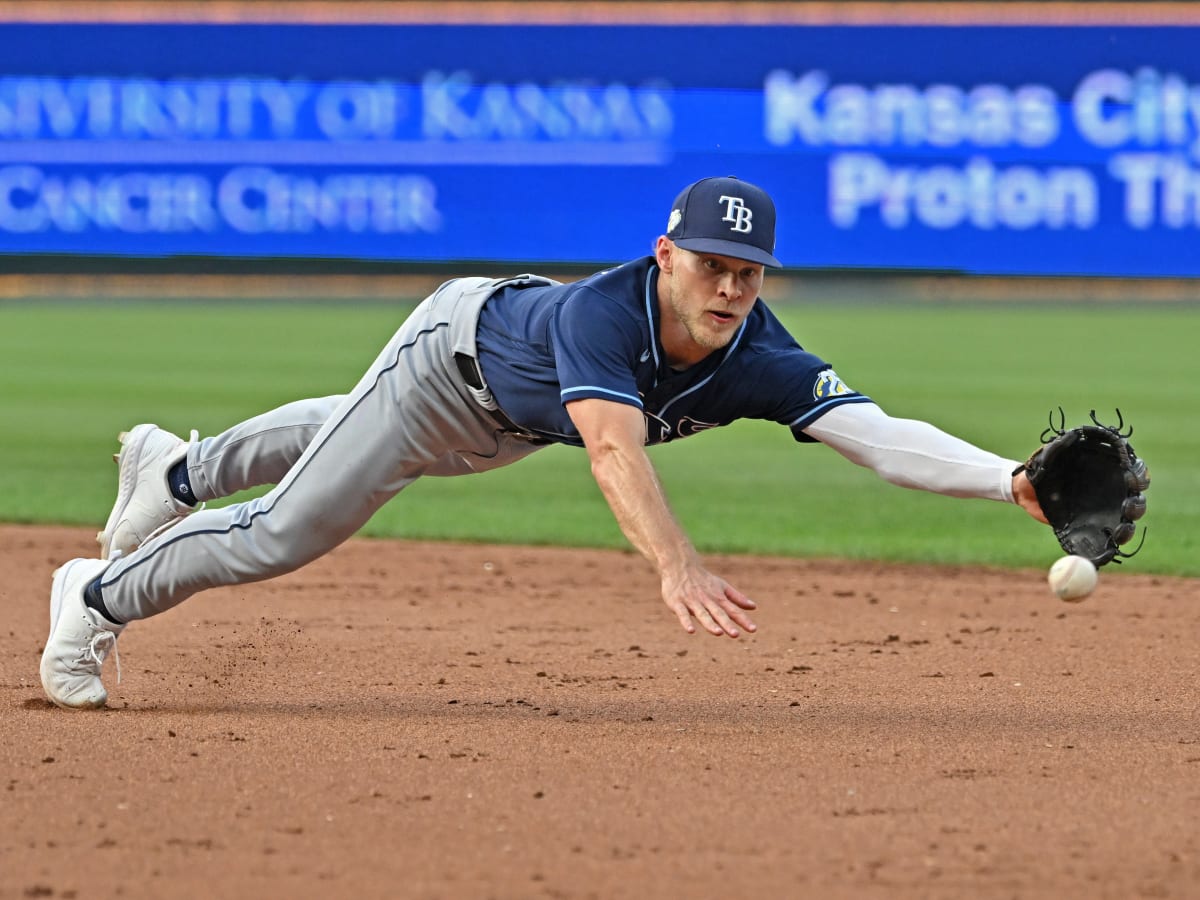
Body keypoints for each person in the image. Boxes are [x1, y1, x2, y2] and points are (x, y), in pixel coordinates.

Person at [40, 176, 1048, 710]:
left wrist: (1009, 481)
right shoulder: (606, 318)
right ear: (666, 255)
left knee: (340, 435)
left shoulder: (758, 351)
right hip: (452, 359)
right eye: (711, 263)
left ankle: (170, 469)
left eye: (749, 269)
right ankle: (92, 596)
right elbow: (613, 452)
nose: (731, 287)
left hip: (504, 423)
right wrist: (676, 563)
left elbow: (874, 435)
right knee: (286, 530)